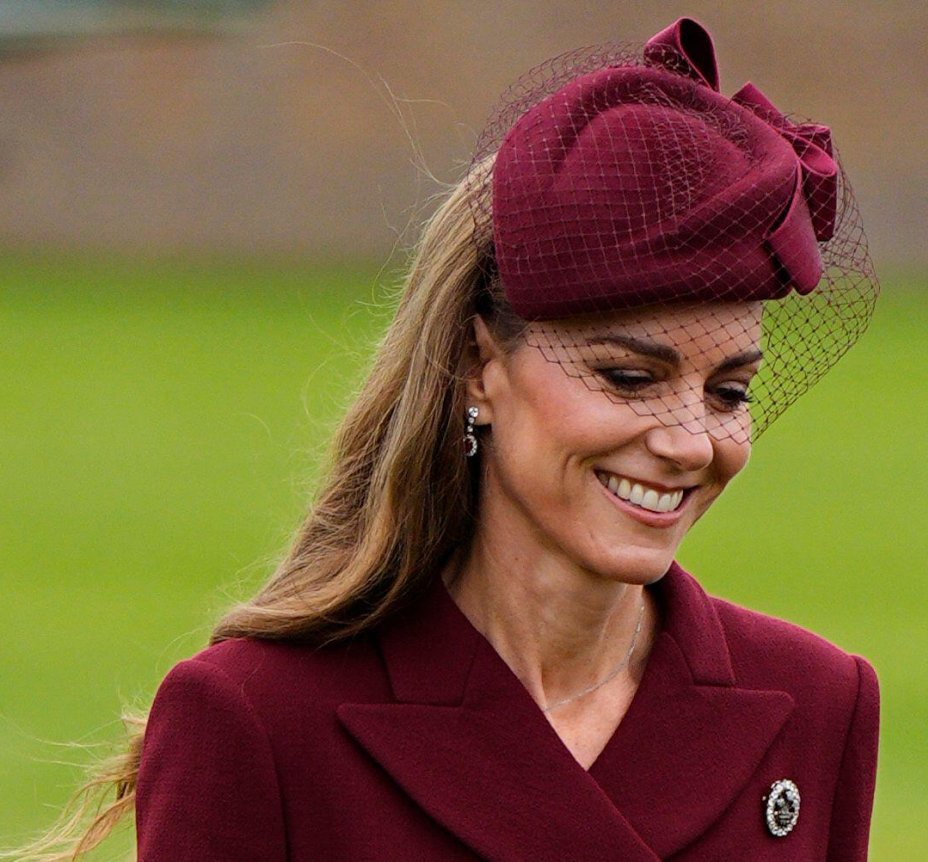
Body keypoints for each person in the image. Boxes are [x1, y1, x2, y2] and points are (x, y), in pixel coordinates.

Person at [9, 16, 881, 861]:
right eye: (628, 378)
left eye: (729, 391)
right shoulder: (258, 720)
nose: (692, 442)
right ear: (476, 365)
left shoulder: (820, 704)